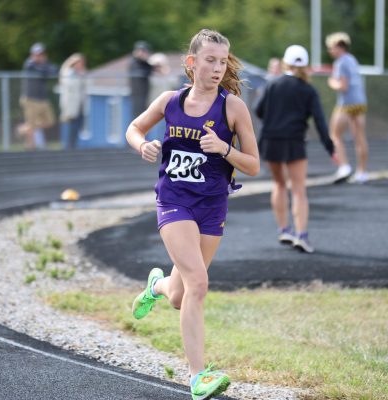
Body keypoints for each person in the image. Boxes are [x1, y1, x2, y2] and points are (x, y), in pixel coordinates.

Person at [125, 28, 259, 400]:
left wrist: (223, 149)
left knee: (181, 296)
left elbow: (253, 165)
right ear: (192, 63)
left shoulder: (232, 108)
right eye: (210, 60)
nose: (217, 68)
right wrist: (142, 146)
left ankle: (156, 286)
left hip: (212, 205)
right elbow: (134, 128)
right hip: (174, 201)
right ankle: (198, 377)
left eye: (223, 61)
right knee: (199, 284)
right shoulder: (170, 101)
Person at [255, 45, 336, 253]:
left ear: (285, 62)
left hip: (270, 139)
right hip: (294, 141)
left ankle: (284, 229)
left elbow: (258, 110)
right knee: (299, 190)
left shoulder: (272, 84)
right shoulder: (307, 89)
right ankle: (301, 235)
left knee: (279, 184)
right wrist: (330, 147)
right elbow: (319, 121)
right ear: (305, 65)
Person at [326, 32, 369, 183]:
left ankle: (344, 167)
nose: (330, 51)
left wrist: (332, 82)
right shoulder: (352, 59)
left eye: (331, 47)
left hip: (347, 104)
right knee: (360, 137)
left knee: (335, 134)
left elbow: (343, 86)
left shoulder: (341, 62)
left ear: (339, 47)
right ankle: (362, 172)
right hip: (360, 102)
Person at [19, 42, 57, 150]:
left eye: (41, 54)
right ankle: (31, 146)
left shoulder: (45, 64)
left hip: (42, 99)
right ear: (32, 55)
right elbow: (43, 71)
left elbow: (54, 70)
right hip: (30, 99)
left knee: (50, 121)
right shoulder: (29, 64)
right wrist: (44, 66)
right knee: (31, 124)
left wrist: (45, 66)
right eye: (37, 54)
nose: (39, 56)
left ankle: (22, 129)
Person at [59, 53, 87, 149]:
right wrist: (79, 76)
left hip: (80, 106)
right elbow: (71, 85)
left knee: (77, 128)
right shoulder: (68, 73)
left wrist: (82, 75)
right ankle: (68, 148)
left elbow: (86, 86)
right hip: (70, 107)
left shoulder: (82, 73)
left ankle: (73, 146)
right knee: (70, 128)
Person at [128, 40, 153, 119]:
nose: (141, 53)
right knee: (138, 118)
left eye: (143, 51)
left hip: (144, 95)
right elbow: (145, 71)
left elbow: (149, 67)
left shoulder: (144, 63)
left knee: (145, 117)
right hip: (137, 95)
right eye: (139, 51)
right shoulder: (134, 63)